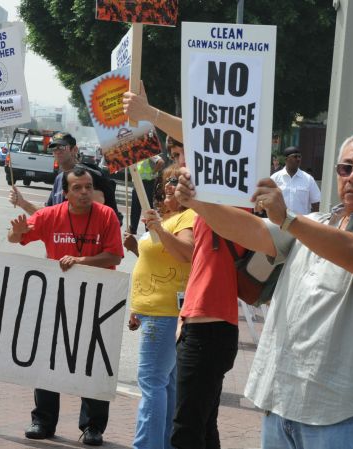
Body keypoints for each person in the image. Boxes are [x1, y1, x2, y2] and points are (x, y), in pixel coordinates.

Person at [172, 128, 353, 449]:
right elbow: (252, 231)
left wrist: (288, 218)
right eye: (346, 168)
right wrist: (198, 202)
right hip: (282, 402)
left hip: (339, 415)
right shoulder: (316, 223)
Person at [123, 88, 244, 449]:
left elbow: (185, 254)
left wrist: (151, 112)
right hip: (194, 320)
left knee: (187, 428)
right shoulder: (203, 206)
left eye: (182, 156)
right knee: (200, 426)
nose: (178, 167)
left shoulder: (217, 203)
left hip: (209, 325)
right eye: (175, 159)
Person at [7, 166, 124, 446]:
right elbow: (17, 238)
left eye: (88, 187)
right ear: (65, 193)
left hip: (95, 301)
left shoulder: (106, 216)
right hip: (56, 299)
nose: (84, 192)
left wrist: (81, 260)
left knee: (92, 363)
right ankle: (43, 421)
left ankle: (93, 426)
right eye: (77, 188)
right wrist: (16, 233)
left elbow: (114, 255)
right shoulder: (49, 215)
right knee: (49, 361)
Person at [124, 163, 195, 449]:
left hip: (165, 312)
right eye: (167, 181)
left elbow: (186, 252)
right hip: (153, 310)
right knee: (164, 384)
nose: (168, 186)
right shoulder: (168, 218)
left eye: (176, 181)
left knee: (152, 382)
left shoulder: (188, 216)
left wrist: (159, 231)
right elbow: (156, 261)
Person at [10, 132, 122, 224]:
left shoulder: (87, 176)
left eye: (62, 147)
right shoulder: (59, 178)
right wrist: (22, 202)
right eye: (53, 147)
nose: (57, 151)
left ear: (75, 150)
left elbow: (98, 206)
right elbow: (47, 214)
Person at [270, 146, 321, 214]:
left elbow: (316, 203)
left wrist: (312, 221)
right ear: (286, 159)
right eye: (295, 156)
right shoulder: (275, 178)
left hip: (302, 222)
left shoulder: (308, 179)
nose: (298, 159)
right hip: (279, 222)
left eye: (300, 157)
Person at [130, 154, 164, 234]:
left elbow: (161, 162)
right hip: (138, 181)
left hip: (147, 182)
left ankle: (149, 229)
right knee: (135, 206)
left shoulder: (146, 152)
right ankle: (133, 228)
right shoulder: (135, 154)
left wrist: (153, 173)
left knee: (147, 206)